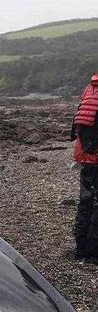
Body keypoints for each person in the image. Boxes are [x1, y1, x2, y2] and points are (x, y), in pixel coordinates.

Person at [71, 72, 98, 261]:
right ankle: (94, 253)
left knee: (86, 200)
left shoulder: (90, 87)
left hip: (85, 153)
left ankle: (81, 249)